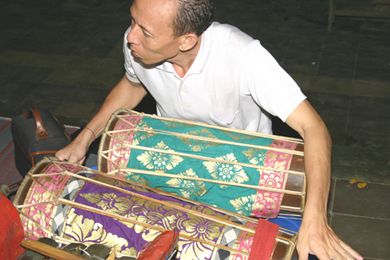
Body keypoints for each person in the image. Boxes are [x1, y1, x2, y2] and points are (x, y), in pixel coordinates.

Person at [56, 0, 363, 259]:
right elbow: (132, 84)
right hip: (170, 161)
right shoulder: (139, 43)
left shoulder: (242, 55)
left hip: (242, 176)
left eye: (145, 32)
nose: (130, 37)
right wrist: (85, 138)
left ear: (186, 40)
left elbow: (315, 128)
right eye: (132, 21)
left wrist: (316, 218)